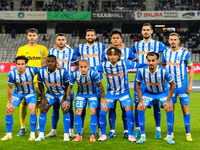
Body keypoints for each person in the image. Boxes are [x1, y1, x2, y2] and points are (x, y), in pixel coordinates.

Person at [96, 47, 146, 142]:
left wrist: (154, 64)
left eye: (115, 55)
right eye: (110, 55)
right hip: (111, 93)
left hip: (124, 93)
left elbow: (140, 65)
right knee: (102, 113)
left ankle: (130, 135)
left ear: (119, 56)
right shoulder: (103, 65)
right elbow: (90, 68)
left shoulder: (125, 63)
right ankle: (103, 134)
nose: (112, 57)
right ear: (108, 56)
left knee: (130, 113)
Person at [131, 23, 168, 139]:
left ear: (152, 31)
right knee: (138, 105)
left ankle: (158, 129)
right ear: (141, 32)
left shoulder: (158, 44)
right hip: (140, 79)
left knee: (156, 105)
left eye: (148, 30)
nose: (146, 31)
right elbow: (130, 55)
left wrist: (161, 64)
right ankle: (137, 129)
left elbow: (168, 52)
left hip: (154, 79)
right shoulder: (136, 45)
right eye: (144, 30)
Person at [102, 30, 136, 138]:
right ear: (111, 40)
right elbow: (104, 64)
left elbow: (134, 61)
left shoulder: (127, 50)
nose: (115, 39)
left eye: (117, 38)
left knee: (125, 109)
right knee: (111, 109)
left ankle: (126, 131)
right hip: (110, 87)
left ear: (121, 39)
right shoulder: (106, 51)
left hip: (123, 87)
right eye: (113, 38)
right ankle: (112, 131)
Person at [73, 29, 107, 136]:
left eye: (92, 35)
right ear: (86, 36)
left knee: (96, 105)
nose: (90, 36)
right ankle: (81, 127)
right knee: (81, 106)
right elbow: (73, 57)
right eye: (88, 35)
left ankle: (98, 128)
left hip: (96, 78)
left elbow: (107, 57)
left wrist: (100, 67)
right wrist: (80, 65)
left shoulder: (102, 46)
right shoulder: (80, 47)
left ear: (95, 36)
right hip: (84, 78)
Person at [136, 52, 175, 144]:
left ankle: (169, 136)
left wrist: (168, 101)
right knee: (140, 108)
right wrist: (141, 101)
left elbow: (172, 85)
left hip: (162, 93)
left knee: (169, 109)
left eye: (153, 60)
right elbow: (137, 84)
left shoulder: (163, 71)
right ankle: (142, 136)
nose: (151, 63)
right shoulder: (142, 71)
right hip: (148, 93)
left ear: (157, 61)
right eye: (149, 60)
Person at [161, 33, 194, 141]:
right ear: (169, 41)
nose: (173, 41)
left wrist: (190, 84)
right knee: (170, 109)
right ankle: (170, 134)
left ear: (179, 41)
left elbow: (191, 68)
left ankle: (188, 133)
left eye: (175, 39)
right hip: (170, 87)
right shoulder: (166, 53)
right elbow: (163, 64)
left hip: (182, 86)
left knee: (185, 108)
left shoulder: (184, 53)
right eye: (171, 39)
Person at [16, 28, 49, 136]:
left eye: (34, 35)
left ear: (37, 36)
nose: (32, 37)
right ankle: (23, 127)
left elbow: (47, 61)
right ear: (27, 36)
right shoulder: (22, 49)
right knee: (23, 104)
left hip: (37, 81)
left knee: (39, 104)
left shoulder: (42, 49)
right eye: (30, 35)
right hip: (25, 82)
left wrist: (41, 70)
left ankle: (39, 127)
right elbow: (19, 64)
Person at [45, 33, 77, 138]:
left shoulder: (71, 52)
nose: (61, 41)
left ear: (66, 40)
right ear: (56, 41)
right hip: (54, 84)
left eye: (63, 39)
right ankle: (53, 130)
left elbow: (77, 64)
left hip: (67, 85)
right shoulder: (51, 51)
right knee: (55, 109)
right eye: (59, 39)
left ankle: (71, 130)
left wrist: (72, 75)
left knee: (69, 108)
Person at [68, 60, 107, 142]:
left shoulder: (93, 73)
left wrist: (103, 97)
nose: (83, 69)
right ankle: (78, 135)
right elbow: (69, 87)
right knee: (78, 112)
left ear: (88, 67)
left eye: (85, 67)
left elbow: (100, 85)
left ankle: (92, 135)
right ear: (78, 67)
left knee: (93, 111)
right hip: (80, 95)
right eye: (81, 67)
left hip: (92, 94)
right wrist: (68, 100)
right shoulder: (75, 74)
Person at [1, 56, 38, 141]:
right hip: (17, 93)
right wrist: (10, 103)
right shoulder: (11, 73)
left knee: (32, 109)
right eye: (18, 64)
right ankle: (8, 134)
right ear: (16, 65)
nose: (21, 66)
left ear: (26, 64)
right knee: (9, 109)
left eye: (22, 64)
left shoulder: (32, 70)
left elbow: (44, 70)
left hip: (30, 92)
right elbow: (9, 88)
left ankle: (32, 134)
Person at [35, 55, 71, 141]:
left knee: (65, 109)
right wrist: (44, 97)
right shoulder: (41, 71)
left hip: (62, 93)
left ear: (56, 63)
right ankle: (41, 135)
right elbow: (40, 83)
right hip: (50, 94)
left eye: (52, 61)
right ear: (46, 62)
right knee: (43, 109)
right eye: (48, 61)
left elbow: (68, 85)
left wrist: (64, 98)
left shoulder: (62, 71)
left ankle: (66, 134)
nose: (50, 63)